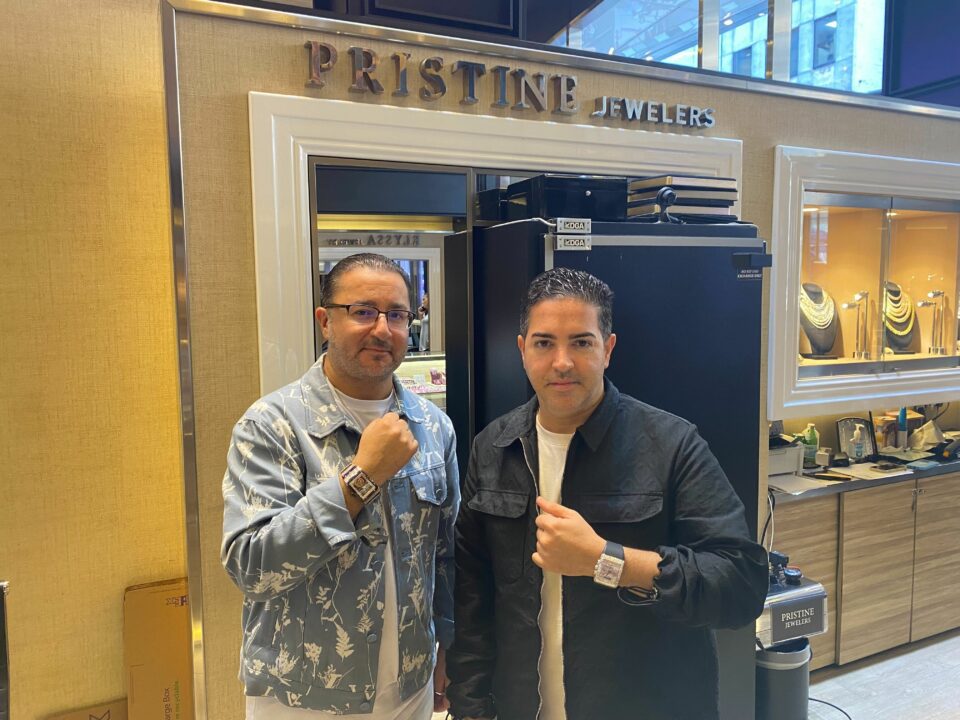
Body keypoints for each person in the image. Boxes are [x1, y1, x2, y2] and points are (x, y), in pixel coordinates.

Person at [446, 268, 768, 720]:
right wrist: (471, 711)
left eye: (581, 342)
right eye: (544, 343)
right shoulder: (493, 448)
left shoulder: (672, 444)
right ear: (522, 351)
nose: (562, 362)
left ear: (608, 349)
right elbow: (474, 608)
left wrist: (605, 560)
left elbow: (742, 584)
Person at [221, 253, 459, 719]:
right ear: (325, 321)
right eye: (363, 311)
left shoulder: (434, 427)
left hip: (409, 687)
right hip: (303, 695)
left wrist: (444, 646)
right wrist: (360, 479)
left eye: (397, 314)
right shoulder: (273, 425)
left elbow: (445, 555)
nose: (383, 329)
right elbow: (251, 565)